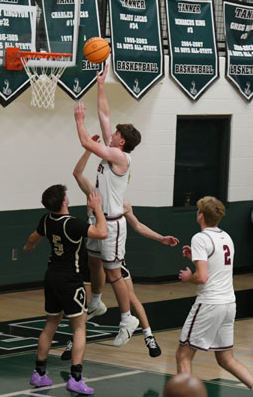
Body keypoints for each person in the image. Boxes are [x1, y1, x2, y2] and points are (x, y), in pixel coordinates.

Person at [62, 145, 179, 359]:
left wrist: (160, 238)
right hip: (95, 256)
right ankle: (74, 341)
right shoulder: (93, 193)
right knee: (85, 303)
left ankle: (148, 335)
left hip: (112, 251)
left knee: (130, 296)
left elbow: (138, 226)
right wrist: (88, 150)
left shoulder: (120, 205)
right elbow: (77, 173)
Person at [178, 196, 253, 397]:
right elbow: (215, 264)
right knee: (226, 359)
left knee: (183, 355)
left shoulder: (200, 238)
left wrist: (188, 278)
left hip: (210, 303)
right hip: (229, 303)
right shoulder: (226, 237)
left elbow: (202, 277)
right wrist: (195, 257)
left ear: (201, 215)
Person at [74, 63, 142, 347]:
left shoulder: (120, 157)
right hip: (98, 220)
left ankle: (127, 320)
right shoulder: (115, 150)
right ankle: (97, 302)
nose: (110, 133)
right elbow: (104, 114)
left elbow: (86, 142)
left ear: (121, 141)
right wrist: (101, 85)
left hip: (112, 224)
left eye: (114, 134)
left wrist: (79, 120)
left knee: (114, 273)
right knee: (93, 261)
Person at [23, 185, 107, 395]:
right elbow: (102, 232)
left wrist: (28, 247)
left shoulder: (46, 220)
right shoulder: (73, 224)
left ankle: (39, 373)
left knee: (50, 324)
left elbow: (33, 238)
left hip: (52, 276)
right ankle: (76, 378)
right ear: (63, 202)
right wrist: (97, 208)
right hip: (70, 280)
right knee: (79, 328)